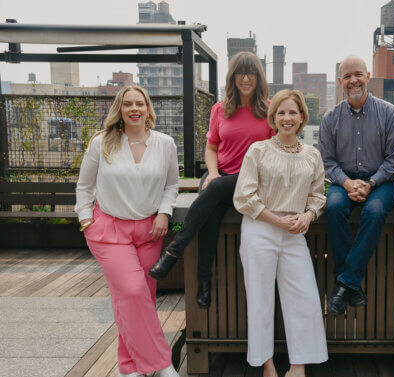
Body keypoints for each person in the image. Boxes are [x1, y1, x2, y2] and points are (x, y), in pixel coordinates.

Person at [149, 52, 274, 309]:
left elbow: (273, 153)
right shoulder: (220, 108)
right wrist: (214, 172)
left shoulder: (269, 110)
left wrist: (217, 180)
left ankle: (173, 252)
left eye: (251, 72)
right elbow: (211, 149)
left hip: (251, 180)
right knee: (211, 213)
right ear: (233, 77)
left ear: (258, 77)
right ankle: (204, 283)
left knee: (213, 190)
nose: (246, 78)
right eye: (241, 72)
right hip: (221, 175)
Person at [75, 85, 180, 377]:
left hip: (150, 231)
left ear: (148, 108)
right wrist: (86, 220)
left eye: (140, 103)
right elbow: (84, 187)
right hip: (108, 231)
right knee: (133, 291)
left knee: (137, 297)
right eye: (128, 104)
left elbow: (172, 184)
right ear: (119, 109)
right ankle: (161, 364)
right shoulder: (102, 143)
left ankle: (128, 367)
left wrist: (164, 212)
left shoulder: (165, 143)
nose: (134, 108)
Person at [233, 89, 328, 377]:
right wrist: (277, 220)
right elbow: (244, 197)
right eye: (281, 113)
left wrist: (308, 216)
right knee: (260, 300)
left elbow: (318, 196)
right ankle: (268, 365)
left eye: (293, 113)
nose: (287, 118)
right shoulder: (258, 151)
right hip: (260, 229)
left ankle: (299, 366)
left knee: (305, 298)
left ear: (302, 118)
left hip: (294, 233)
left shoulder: (312, 154)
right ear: (273, 118)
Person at [318, 56, 394, 315]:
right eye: (347, 76)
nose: (353, 80)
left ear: (368, 76)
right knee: (333, 207)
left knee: (375, 211)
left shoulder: (390, 113)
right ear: (340, 82)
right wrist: (346, 183)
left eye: (358, 74)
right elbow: (327, 161)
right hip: (342, 180)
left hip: (382, 182)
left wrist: (370, 183)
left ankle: (344, 283)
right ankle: (352, 285)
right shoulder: (330, 118)